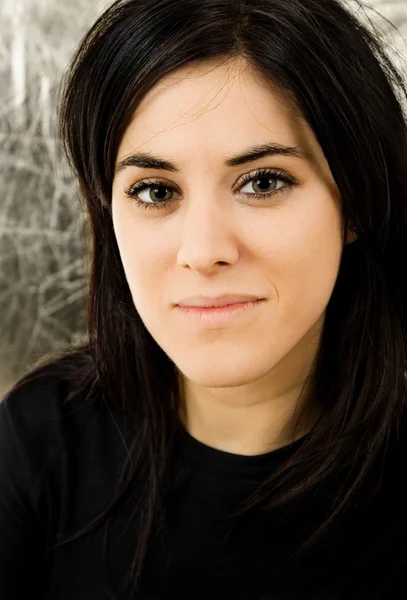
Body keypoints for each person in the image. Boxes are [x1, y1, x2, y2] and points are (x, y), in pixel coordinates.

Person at [1, 0, 407, 597]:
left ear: (357, 201)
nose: (202, 250)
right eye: (155, 190)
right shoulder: (39, 441)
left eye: (263, 181)